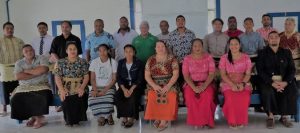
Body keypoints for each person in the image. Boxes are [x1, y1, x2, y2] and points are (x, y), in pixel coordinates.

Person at [256, 31, 298, 129]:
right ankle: (270, 117)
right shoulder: (262, 53)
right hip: (268, 80)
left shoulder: (286, 52)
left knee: (292, 89)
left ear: (279, 39)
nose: (274, 39)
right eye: (271, 37)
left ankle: (284, 116)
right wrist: (272, 83)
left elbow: (292, 69)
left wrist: (285, 82)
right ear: (268, 40)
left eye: (276, 37)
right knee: (267, 90)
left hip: (284, 80)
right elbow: (260, 70)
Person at [10, 44, 52, 129]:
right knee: (16, 98)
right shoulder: (19, 62)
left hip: (41, 84)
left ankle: (39, 118)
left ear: (34, 50)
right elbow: (18, 76)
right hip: (24, 87)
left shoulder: (42, 58)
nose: (29, 52)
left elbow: (44, 69)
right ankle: (35, 117)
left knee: (41, 95)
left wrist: (26, 71)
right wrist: (36, 73)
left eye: (31, 50)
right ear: (23, 54)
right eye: (26, 51)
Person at [144, 40, 179, 131]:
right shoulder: (151, 59)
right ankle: (157, 117)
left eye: (162, 46)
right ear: (155, 49)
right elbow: (147, 75)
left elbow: (176, 74)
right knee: (152, 94)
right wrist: (154, 86)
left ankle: (164, 120)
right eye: (158, 46)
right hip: (154, 84)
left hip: (170, 83)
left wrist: (168, 86)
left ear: (166, 48)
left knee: (170, 94)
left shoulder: (172, 59)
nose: (160, 48)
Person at [219, 37, 252, 129]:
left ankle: (240, 120)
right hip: (228, 82)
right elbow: (223, 74)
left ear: (240, 45)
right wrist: (232, 85)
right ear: (229, 46)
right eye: (231, 44)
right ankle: (232, 120)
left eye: (236, 44)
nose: (234, 46)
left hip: (243, 82)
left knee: (244, 97)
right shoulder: (224, 58)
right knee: (230, 98)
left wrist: (243, 84)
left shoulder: (246, 57)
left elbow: (248, 74)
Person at [182, 38, 216, 128]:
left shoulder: (208, 57)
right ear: (192, 47)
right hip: (191, 84)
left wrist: (204, 86)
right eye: (195, 46)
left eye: (199, 46)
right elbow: (186, 75)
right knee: (190, 97)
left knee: (207, 96)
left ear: (202, 47)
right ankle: (196, 122)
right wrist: (193, 87)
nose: (197, 48)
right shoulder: (187, 59)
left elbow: (211, 74)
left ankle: (206, 121)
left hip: (206, 83)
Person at [54, 41, 89, 126]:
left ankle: (79, 119)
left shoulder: (83, 61)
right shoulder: (60, 62)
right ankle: (69, 120)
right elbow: (57, 77)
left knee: (80, 96)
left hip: (80, 85)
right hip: (65, 86)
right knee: (66, 96)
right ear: (66, 51)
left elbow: (86, 76)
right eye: (70, 49)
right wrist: (61, 89)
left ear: (77, 50)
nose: (72, 51)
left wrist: (82, 87)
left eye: (74, 49)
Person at [115, 44, 144, 128]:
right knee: (118, 95)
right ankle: (124, 117)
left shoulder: (139, 63)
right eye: (126, 51)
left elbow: (140, 78)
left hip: (136, 86)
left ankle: (131, 118)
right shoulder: (121, 62)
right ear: (124, 53)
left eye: (130, 51)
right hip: (124, 86)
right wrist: (124, 90)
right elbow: (118, 78)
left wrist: (131, 89)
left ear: (134, 52)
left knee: (133, 96)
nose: (128, 53)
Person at [88, 44, 117, 126]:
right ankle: (100, 116)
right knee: (92, 99)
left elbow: (114, 79)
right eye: (100, 50)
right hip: (96, 87)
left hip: (109, 87)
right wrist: (95, 90)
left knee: (108, 98)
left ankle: (109, 115)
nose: (102, 52)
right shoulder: (94, 62)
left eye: (104, 50)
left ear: (108, 51)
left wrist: (105, 90)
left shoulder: (113, 62)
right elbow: (92, 79)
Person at [0, 22, 24, 116]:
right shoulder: (0, 40)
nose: (10, 30)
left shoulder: (19, 41)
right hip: (4, 68)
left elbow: (24, 53)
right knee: (4, 88)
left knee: (18, 86)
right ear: (3, 30)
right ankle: (4, 107)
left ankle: (19, 105)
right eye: (7, 28)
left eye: (11, 28)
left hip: (17, 67)